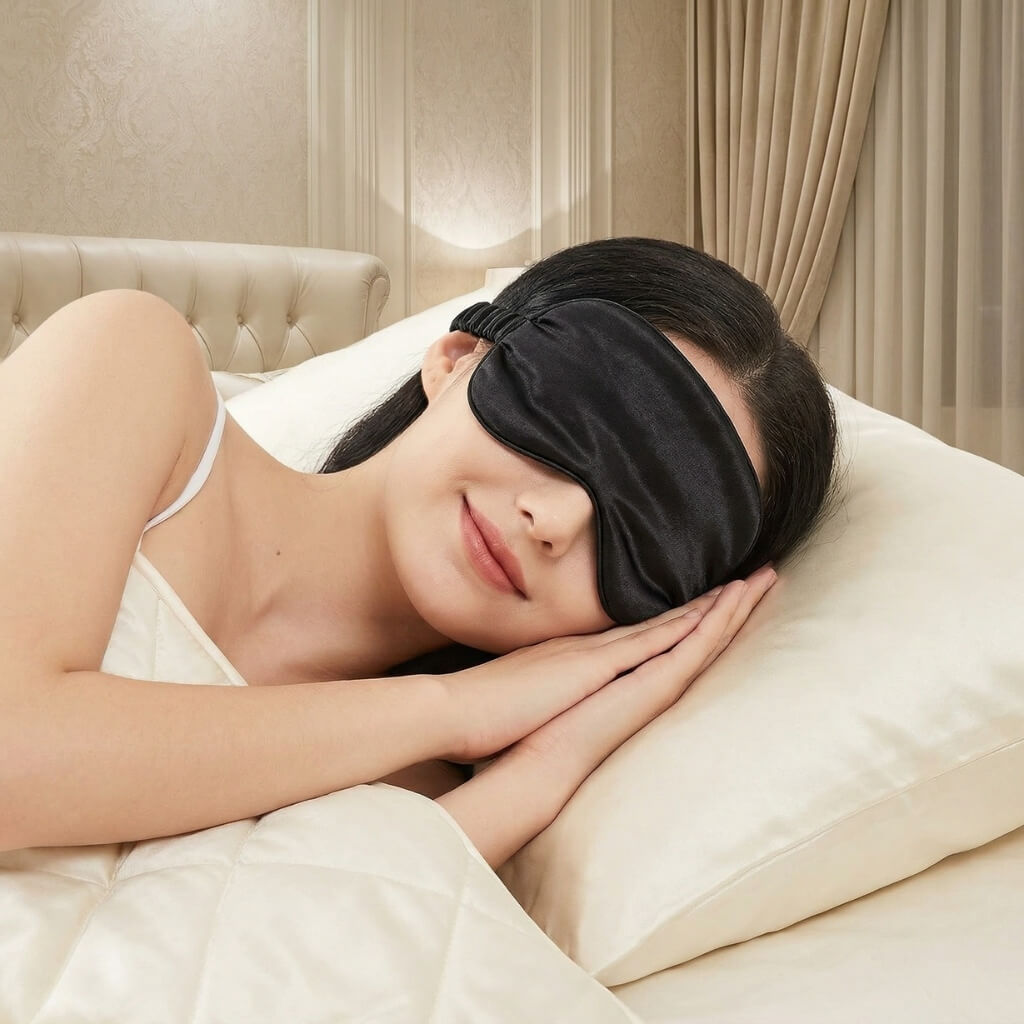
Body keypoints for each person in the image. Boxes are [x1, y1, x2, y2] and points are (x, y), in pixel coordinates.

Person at [0, 237, 837, 869]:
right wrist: (450, 707)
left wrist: (539, 770)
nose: (557, 520)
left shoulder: (425, 791)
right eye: (577, 421)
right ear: (459, 358)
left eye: (652, 533)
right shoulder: (131, 364)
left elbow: (285, 974)